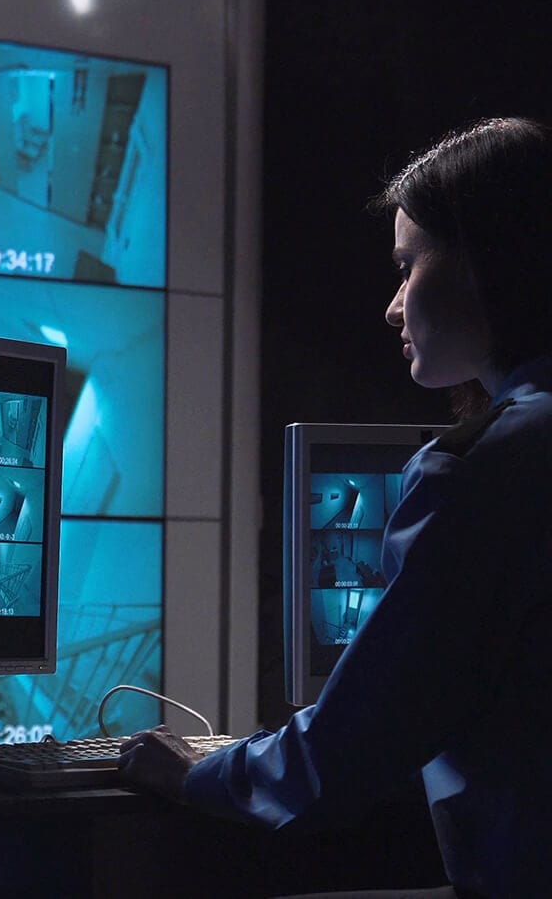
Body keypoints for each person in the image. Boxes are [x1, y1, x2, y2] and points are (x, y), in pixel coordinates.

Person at [118, 117, 552, 898]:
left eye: (408, 265)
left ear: (488, 258)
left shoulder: (482, 470)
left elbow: (342, 756)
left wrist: (195, 771)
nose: (393, 307)